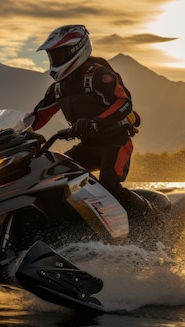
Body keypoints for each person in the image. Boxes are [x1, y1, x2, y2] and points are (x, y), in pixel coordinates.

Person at [31, 24, 150, 219]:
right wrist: (11, 133)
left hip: (116, 142)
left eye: (61, 54)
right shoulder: (58, 88)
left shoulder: (98, 75)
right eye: (53, 56)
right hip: (88, 145)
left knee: (109, 186)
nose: (56, 60)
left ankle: (152, 220)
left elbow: (123, 103)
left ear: (78, 50)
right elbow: (37, 116)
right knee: (52, 179)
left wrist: (96, 121)